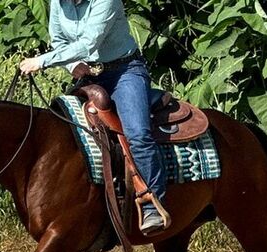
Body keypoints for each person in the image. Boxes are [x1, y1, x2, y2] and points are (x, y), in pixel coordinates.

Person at [19, 0, 168, 235]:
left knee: (137, 134)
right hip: (90, 74)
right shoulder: (59, 2)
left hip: (125, 72)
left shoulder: (106, 1)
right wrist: (73, 66)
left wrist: (42, 61)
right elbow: (59, 40)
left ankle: (153, 202)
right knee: (64, 132)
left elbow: (89, 42)